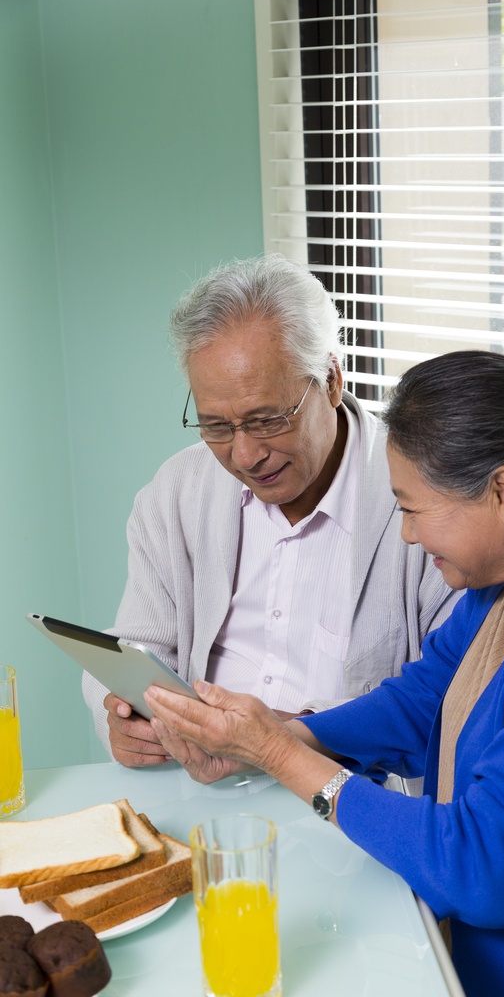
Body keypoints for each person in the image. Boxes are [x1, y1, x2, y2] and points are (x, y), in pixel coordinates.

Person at [144, 350, 504, 997]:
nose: (404, 535)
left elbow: (481, 864)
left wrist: (281, 759)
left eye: (411, 508)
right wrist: (292, 736)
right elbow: (427, 696)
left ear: (503, 492)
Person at [82, 255, 459, 771]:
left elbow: (448, 699)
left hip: (350, 795)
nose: (244, 456)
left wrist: (283, 740)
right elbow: (136, 648)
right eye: (216, 426)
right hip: (200, 786)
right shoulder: (176, 492)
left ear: (330, 380)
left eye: (266, 420)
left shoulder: (425, 497)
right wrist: (123, 723)